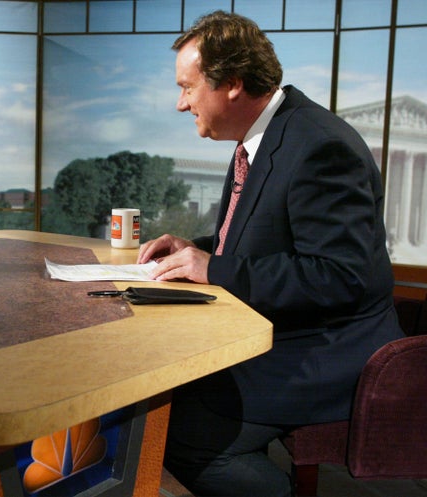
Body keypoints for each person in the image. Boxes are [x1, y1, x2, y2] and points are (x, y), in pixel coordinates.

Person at [137, 11, 404, 497]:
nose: (181, 104)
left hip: (325, 356)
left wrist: (214, 269)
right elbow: (267, 238)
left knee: (179, 436)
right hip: (281, 339)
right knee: (156, 399)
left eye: (188, 88)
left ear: (233, 84)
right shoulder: (264, 137)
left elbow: (339, 276)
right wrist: (196, 248)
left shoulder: (320, 146)